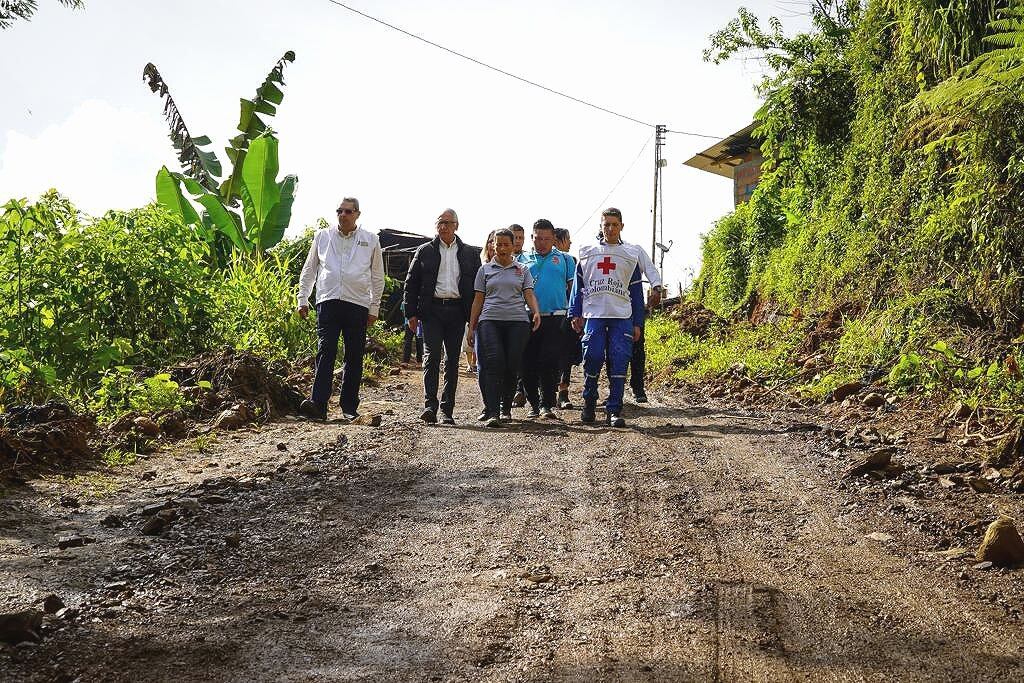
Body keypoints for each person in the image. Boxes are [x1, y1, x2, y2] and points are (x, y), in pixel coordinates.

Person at [297, 197, 384, 421]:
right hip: (328, 301)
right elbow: (310, 269)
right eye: (339, 211)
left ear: (357, 214)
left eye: (347, 211)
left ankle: (349, 407)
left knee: (354, 355)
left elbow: (377, 276)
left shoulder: (371, 240)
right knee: (325, 351)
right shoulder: (323, 237)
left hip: (357, 304)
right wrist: (302, 298)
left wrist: (374, 307)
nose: (343, 215)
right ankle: (318, 405)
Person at [569, 207, 652, 427]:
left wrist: (637, 323)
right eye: (606, 224)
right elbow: (579, 285)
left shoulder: (629, 256)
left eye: (615, 224)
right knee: (593, 356)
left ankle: (614, 409)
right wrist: (574, 312)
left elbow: (636, 291)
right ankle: (589, 402)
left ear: (622, 226)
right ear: (601, 226)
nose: (611, 229)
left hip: (621, 315)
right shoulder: (589, 253)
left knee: (619, 359)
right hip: (594, 314)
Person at [403, 208, 481, 425]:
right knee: (431, 357)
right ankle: (430, 406)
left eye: (448, 223)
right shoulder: (425, 251)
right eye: (440, 223)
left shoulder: (470, 254)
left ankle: (447, 410)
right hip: (432, 311)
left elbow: (479, 288)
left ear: (457, 225)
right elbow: (411, 284)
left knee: (452, 360)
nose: (444, 226)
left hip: (457, 311)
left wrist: (474, 318)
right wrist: (411, 313)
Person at [468, 229, 541, 427]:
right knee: (494, 362)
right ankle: (492, 411)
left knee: (511, 363)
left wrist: (535, 311)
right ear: (492, 245)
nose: (501, 248)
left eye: (505, 245)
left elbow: (529, 294)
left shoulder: (522, 270)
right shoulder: (484, 270)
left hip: (517, 322)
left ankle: (505, 408)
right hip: (489, 320)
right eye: (497, 244)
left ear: (513, 246)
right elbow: (477, 300)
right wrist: (471, 326)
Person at [521, 219, 575, 419]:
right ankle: (533, 403)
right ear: (532, 238)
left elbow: (573, 289)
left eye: (546, 239)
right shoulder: (521, 259)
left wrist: (575, 314)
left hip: (556, 317)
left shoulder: (565, 259)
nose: (542, 242)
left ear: (553, 239)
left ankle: (546, 405)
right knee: (527, 362)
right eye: (538, 238)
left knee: (549, 361)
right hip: (527, 317)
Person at [553, 227, 579, 409]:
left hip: (566, 314)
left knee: (566, 355)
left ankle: (563, 392)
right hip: (546, 314)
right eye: (568, 239)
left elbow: (574, 289)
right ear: (559, 240)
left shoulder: (572, 261)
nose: (570, 243)